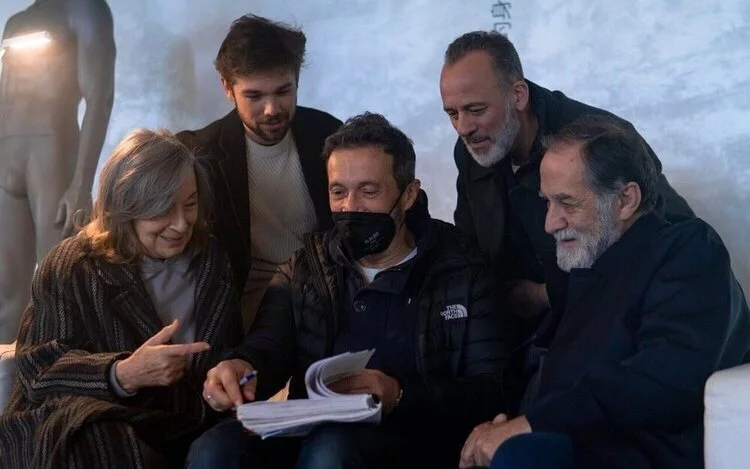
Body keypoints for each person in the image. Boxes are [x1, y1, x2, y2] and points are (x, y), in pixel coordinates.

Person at [185, 113, 522, 469]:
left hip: (415, 436)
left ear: (409, 194)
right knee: (215, 448)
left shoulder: (461, 268)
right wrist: (240, 367)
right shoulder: (306, 266)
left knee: (330, 451)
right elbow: (267, 344)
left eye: (369, 191)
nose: (350, 207)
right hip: (307, 430)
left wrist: (399, 394)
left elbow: (492, 391)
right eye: (338, 192)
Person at [458, 115, 750, 469]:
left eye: (567, 202)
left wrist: (530, 425)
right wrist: (506, 430)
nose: (550, 223)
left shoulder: (688, 250)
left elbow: (665, 379)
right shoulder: (586, 261)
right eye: (547, 202)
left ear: (625, 200)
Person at [0, 129, 243, 468]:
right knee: (103, 442)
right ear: (124, 210)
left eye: (190, 204)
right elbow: (37, 368)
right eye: (162, 209)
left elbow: (226, 350)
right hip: (87, 422)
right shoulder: (73, 265)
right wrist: (122, 373)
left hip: (184, 422)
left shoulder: (210, 259)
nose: (181, 224)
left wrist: (223, 380)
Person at [439, 31, 693, 321]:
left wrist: (545, 295)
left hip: (610, 319)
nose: (463, 128)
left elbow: (656, 253)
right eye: (452, 113)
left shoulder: (604, 140)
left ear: (518, 95)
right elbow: (470, 249)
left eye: (475, 109)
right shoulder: (471, 148)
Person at [178, 15, 342, 330]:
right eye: (254, 96)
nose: (272, 109)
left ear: (297, 80)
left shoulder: (329, 134)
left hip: (328, 296)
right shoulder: (199, 153)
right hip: (246, 310)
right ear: (227, 88)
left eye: (283, 91)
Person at [0, 0, 115, 342]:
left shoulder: (85, 10)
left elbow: (100, 97)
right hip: (6, 156)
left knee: (59, 286)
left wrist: (80, 184)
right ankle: (7, 375)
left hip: (52, 154)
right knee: (6, 290)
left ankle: (62, 372)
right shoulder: (16, 22)